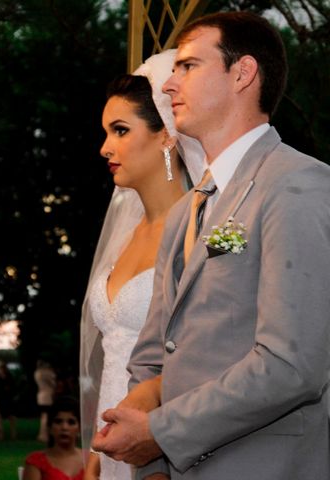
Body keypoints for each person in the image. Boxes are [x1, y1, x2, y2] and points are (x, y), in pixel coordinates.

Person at [92, 11, 330, 480]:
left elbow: (291, 365)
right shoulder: (186, 210)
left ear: (242, 73)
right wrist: (152, 464)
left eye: (188, 67)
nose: (167, 85)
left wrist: (160, 432)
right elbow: (154, 354)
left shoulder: (300, 186)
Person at [79, 49, 203, 480]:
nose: (104, 147)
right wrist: (97, 449)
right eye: (105, 132)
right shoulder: (124, 237)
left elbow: (205, 356)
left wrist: (159, 456)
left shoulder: (198, 232)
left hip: (164, 445)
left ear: (167, 134)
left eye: (120, 131)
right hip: (112, 441)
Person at [22, 397, 84, 480]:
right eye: (58, 421)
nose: (64, 427)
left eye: (71, 422)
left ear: (79, 428)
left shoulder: (90, 459)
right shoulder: (36, 461)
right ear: (49, 428)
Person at [0, 360, 17, 439]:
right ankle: (0, 434)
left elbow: (13, 386)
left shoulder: (9, 376)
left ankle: (13, 433)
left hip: (8, 398)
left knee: (11, 416)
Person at [34, 360, 57, 443]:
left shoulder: (37, 373)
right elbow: (53, 383)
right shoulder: (47, 372)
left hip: (40, 395)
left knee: (43, 416)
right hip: (47, 396)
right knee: (46, 416)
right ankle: (44, 435)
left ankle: (42, 434)